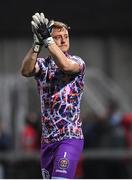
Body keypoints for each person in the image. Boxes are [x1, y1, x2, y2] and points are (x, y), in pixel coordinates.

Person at [20, 12, 86, 179]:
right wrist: (37, 43)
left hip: (70, 137)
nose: (64, 40)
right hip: (47, 140)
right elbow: (26, 71)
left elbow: (65, 66)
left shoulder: (77, 62)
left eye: (66, 36)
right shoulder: (42, 65)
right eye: (58, 37)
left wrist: (48, 40)